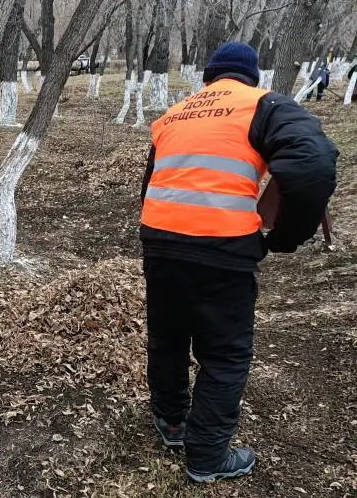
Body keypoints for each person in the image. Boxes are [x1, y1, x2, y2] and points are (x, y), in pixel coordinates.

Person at [139, 41, 338, 483]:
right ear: (252, 76)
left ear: (209, 77)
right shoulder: (264, 105)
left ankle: (172, 422)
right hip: (223, 249)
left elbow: (153, 179)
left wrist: (158, 235)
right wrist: (285, 237)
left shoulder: (175, 114)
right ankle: (207, 457)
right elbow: (315, 162)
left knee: (168, 338)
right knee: (225, 355)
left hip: (160, 242)